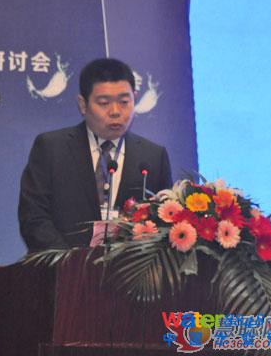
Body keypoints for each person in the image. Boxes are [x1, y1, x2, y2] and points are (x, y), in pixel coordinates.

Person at [18, 58, 172, 252]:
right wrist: (70, 263)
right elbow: (33, 218)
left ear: (134, 98)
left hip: (130, 269)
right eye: (104, 103)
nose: (115, 111)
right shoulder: (52, 148)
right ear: (83, 105)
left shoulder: (153, 157)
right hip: (62, 267)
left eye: (124, 102)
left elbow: (165, 221)